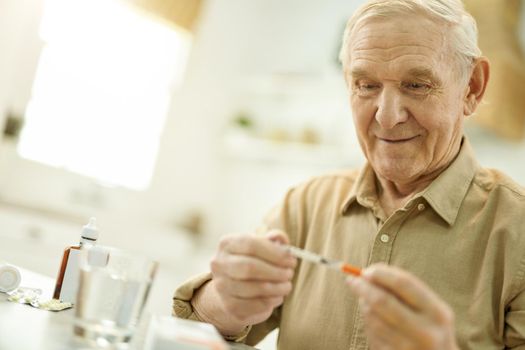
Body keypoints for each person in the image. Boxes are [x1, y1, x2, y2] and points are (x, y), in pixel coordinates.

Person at [173, 1, 525, 349]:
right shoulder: (306, 205)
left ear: (472, 87)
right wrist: (224, 299)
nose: (387, 117)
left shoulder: (516, 229)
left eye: (416, 85)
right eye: (367, 85)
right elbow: (192, 331)